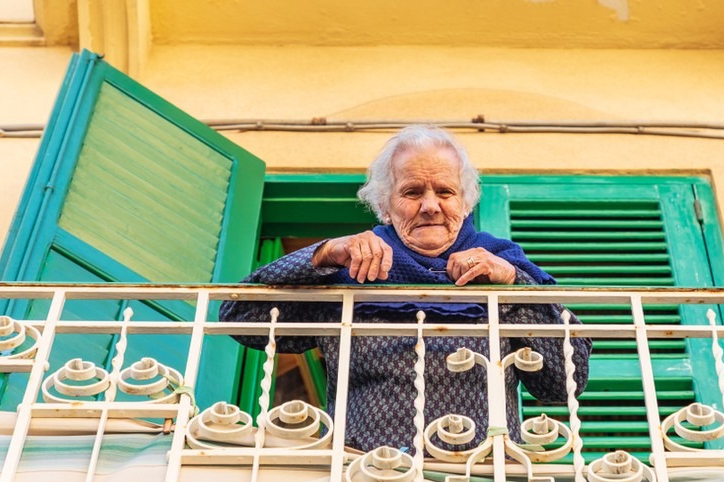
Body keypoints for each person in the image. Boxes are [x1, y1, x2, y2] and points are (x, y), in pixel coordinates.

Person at [220, 126, 592, 453]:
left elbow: (563, 381)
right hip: (364, 477)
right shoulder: (351, 266)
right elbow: (240, 317)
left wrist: (513, 283)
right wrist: (323, 254)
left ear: (465, 203)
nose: (430, 206)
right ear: (384, 206)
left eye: (445, 191)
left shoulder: (502, 262)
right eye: (412, 191)